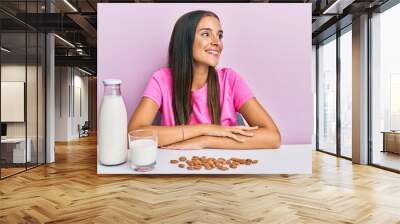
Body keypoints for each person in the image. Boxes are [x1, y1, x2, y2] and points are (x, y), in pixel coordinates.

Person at [128, 10, 281, 149]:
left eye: (219, 35)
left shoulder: (230, 80)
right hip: (177, 168)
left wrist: (205, 141)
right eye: (206, 34)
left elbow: (273, 137)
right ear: (185, 40)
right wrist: (205, 128)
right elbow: (134, 133)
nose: (217, 42)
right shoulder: (161, 80)